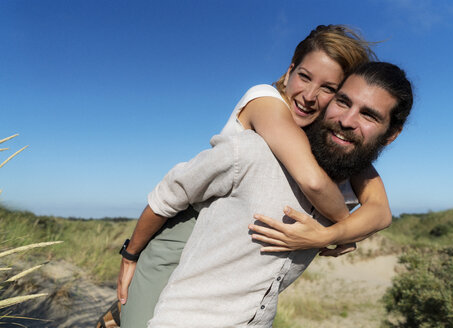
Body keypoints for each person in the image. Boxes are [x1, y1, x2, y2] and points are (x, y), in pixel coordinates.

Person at [113, 25, 392, 328]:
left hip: (226, 258)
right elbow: (312, 181)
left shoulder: (324, 134)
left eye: (328, 89)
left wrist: (344, 232)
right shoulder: (264, 100)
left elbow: (380, 209)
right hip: (184, 237)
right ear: (289, 71)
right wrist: (345, 229)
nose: (310, 95)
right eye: (304, 76)